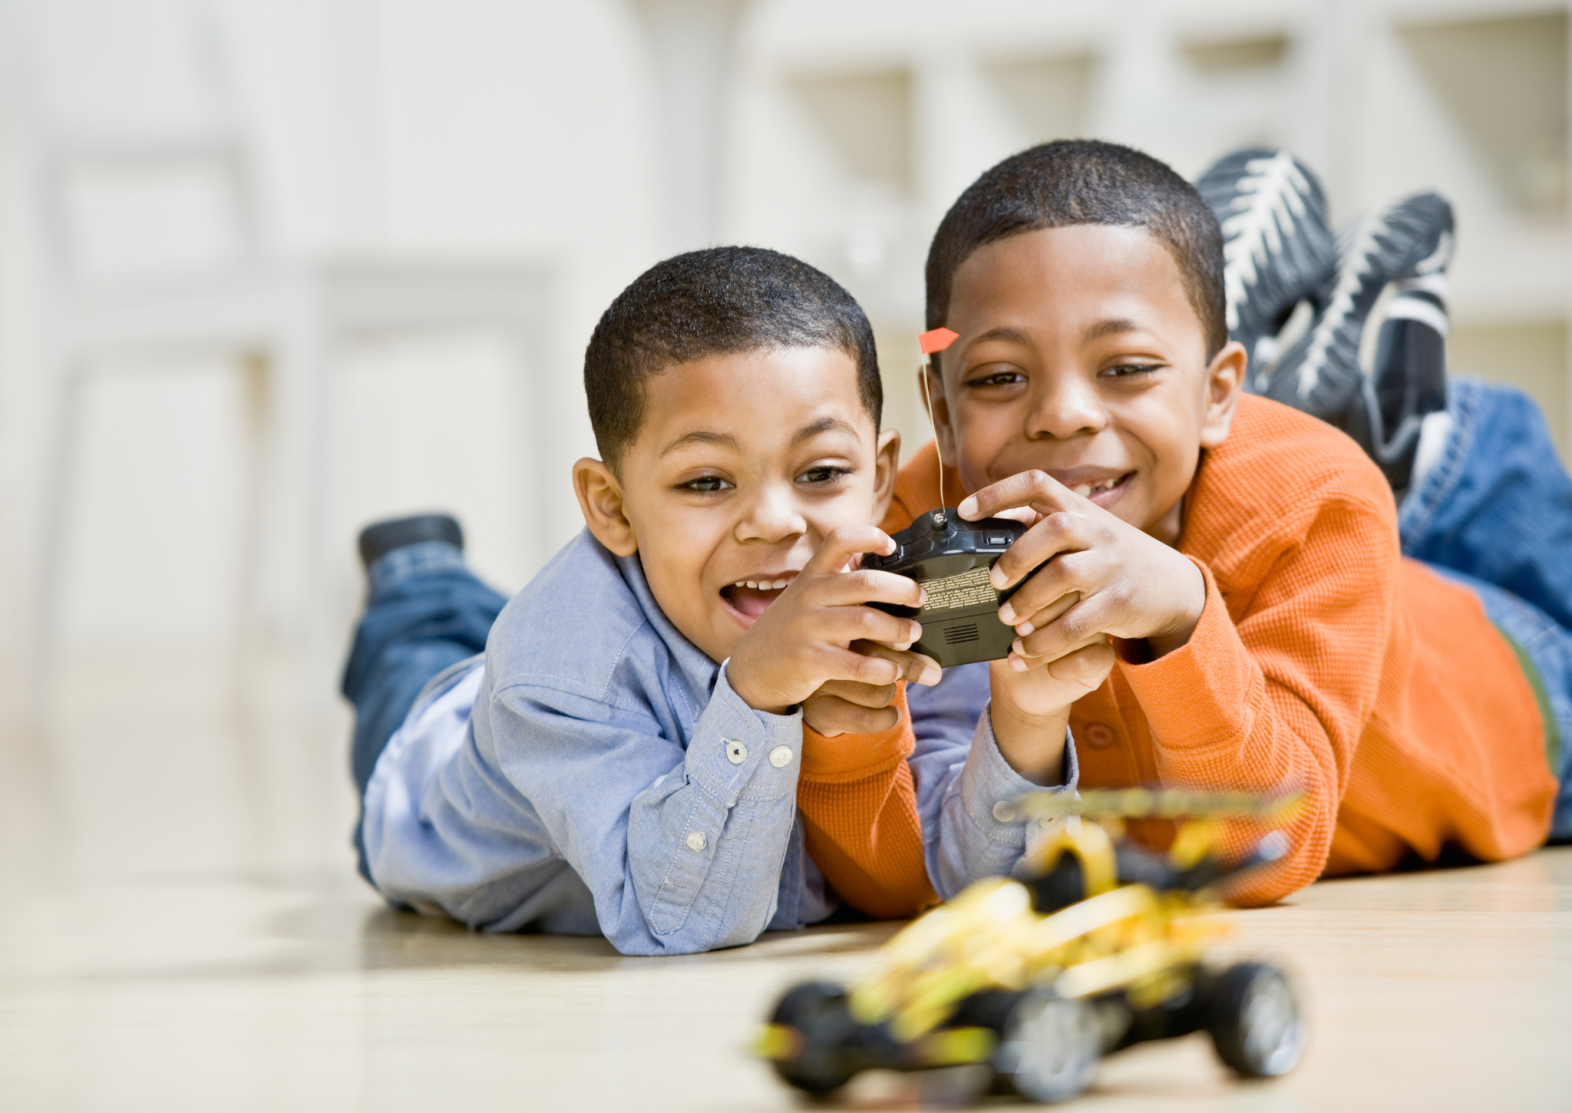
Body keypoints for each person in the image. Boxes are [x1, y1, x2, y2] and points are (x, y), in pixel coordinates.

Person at [340, 246, 1080, 955]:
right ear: (613, 506)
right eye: (705, 482)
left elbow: (973, 883)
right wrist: (757, 692)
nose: (776, 521)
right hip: (430, 783)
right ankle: (417, 572)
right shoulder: (557, 667)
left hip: (615, 626)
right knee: (418, 655)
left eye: (821, 471)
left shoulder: (906, 592)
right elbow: (679, 920)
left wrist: (1026, 722)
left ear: (880, 475)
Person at [888, 139, 1565, 906]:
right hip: (1312, 544)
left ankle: (1433, 440)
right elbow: (896, 850)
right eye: (1000, 378)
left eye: (1126, 366)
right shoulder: (918, 524)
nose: (1062, 414)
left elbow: (1267, 849)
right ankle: (1294, 379)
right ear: (941, 413)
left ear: (1217, 393)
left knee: (1432, 466)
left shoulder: (1321, 496)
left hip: (1521, 700)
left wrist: (1182, 611)